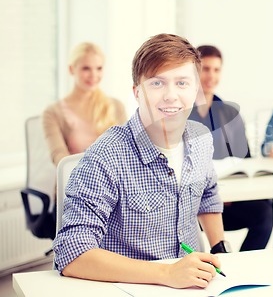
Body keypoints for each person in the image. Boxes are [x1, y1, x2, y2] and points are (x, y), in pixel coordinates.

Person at [53, 34, 228, 289]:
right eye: (157, 84)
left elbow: (208, 195)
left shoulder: (201, 139)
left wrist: (219, 247)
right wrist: (168, 274)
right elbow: (71, 253)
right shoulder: (107, 155)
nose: (171, 95)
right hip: (130, 288)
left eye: (182, 83)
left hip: (193, 287)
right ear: (137, 92)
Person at [189, 45, 273, 251]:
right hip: (194, 203)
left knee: (265, 213)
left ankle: (241, 265)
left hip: (230, 199)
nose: (211, 75)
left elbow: (244, 159)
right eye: (205, 69)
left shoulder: (230, 114)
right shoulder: (179, 112)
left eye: (216, 70)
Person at [43, 42, 127, 166]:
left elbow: (126, 152)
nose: (94, 75)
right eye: (86, 68)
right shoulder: (53, 113)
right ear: (71, 69)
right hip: (76, 180)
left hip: (113, 181)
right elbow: (59, 158)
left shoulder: (116, 106)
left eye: (99, 68)